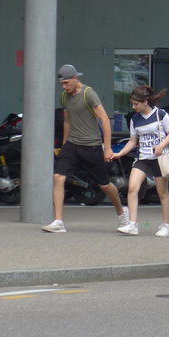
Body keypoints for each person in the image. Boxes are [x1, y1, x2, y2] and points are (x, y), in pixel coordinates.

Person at [42, 64, 128, 233]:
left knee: (104, 185)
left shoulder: (89, 94)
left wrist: (108, 148)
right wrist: (64, 145)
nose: (64, 86)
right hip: (72, 145)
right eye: (62, 84)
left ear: (76, 78)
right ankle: (58, 221)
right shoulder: (64, 97)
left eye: (66, 82)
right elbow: (67, 121)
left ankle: (121, 212)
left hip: (91, 146)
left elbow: (104, 119)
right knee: (58, 177)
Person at [112, 85, 169, 237]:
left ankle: (165, 225)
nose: (133, 107)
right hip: (143, 157)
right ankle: (133, 224)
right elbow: (133, 140)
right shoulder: (135, 119)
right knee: (132, 187)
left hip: (160, 158)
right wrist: (120, 153)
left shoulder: (161, 114)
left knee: (162, 193)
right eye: (132, 104)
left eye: (136, 104)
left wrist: (161, 146)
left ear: (146, 101)